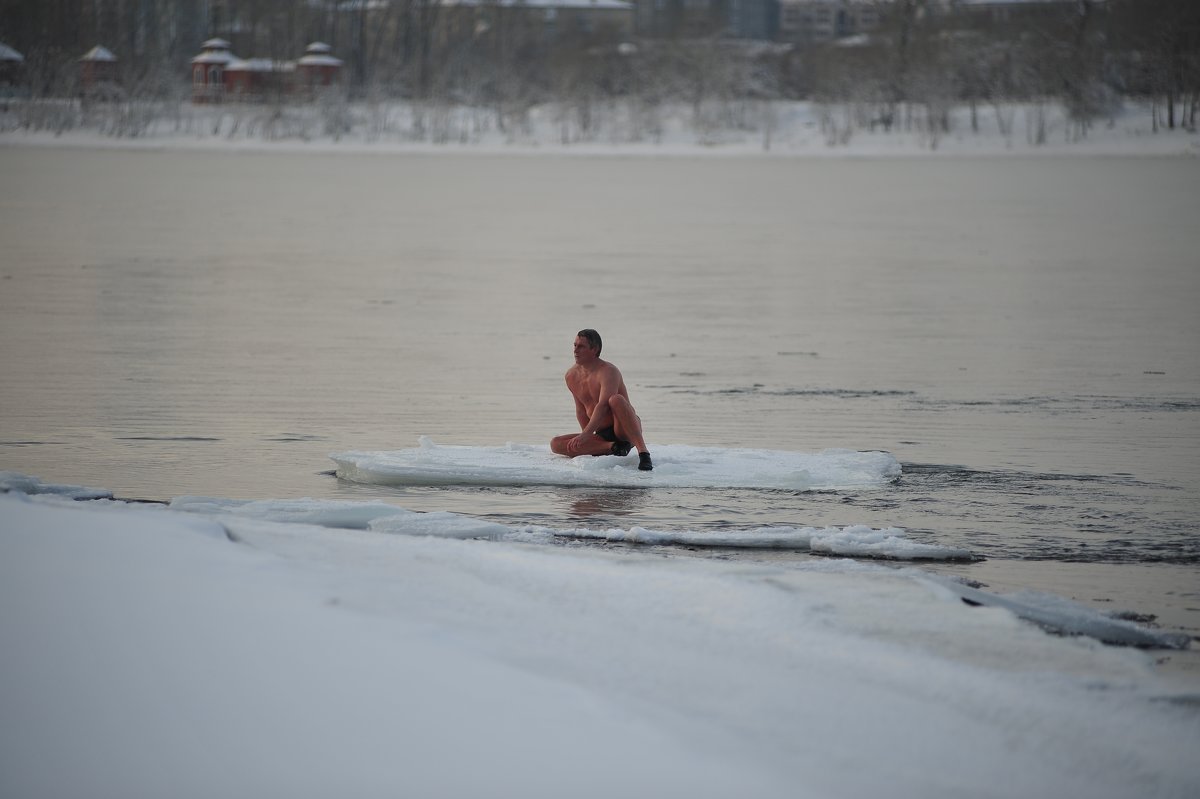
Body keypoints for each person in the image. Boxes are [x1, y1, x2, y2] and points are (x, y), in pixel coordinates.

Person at [550, 329, 653, 471]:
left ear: (594, 349)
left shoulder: (608, 371)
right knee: (555, 444)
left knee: (616, 399)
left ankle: (644, 453)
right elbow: (581, 410)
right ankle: (614, 448)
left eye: (581, 346)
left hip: (624, 429)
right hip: (602, 434)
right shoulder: (571, 376)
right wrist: (587, 438)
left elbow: (603, 405)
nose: (575, 350)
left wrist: (586, 435)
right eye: (575, 345)